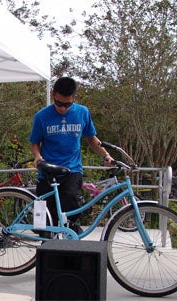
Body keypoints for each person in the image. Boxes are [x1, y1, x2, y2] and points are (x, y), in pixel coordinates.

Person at [29, 77, 114, 234]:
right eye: (58, 103)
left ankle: (71, 238)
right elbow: (34, 143)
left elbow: (91, 138)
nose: (62, 108)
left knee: (70, 203)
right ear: (52, 94)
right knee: (46, 223)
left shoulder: (82, 112)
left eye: (67, 104)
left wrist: (106, 155)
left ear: (74, 97)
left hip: (72, 169)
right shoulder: (41, 116)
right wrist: (37, 156)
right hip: (48, 171)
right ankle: (46, 250)